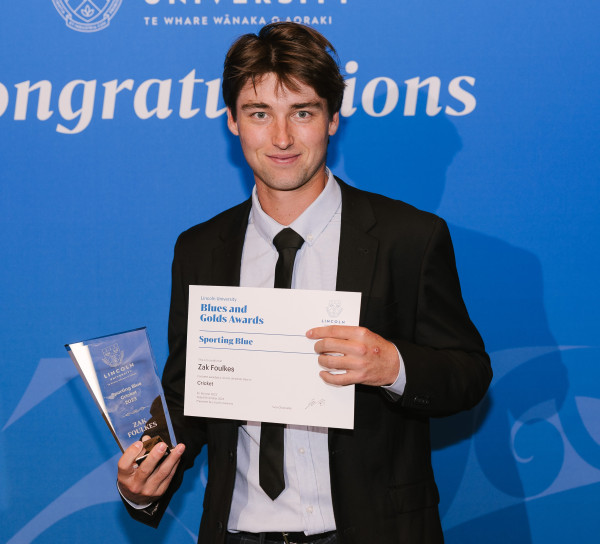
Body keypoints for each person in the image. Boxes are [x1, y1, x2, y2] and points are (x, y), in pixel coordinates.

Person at [117, 22, 492, 544]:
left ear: (333, 119)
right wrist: (146, 478)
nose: (282, 138)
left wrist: (392, 366)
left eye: (302, 112)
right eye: (259, 114)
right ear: (232, 121)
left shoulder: (409, 237)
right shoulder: (200, 248)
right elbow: (191, 397)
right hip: (236, 533)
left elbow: (469, 373)